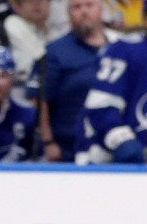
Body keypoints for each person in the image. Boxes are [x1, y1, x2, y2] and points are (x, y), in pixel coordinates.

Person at [76, 0, 147, 163]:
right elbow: (99, 106)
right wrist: (119, 138)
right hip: (114, 163)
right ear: (145, 19)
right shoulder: (124, 50)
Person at [39, 0, 116, 160]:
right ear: (68, 14)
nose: (84, 12)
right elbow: (42, 99)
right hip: (68, 143)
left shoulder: (119, 48)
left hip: (112, 140)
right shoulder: (55, 51)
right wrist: (48, 141)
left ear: (101, 10)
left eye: (89, 5)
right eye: (76, 7)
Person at [4, 0, 56, 102]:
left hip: (45, 90)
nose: (37, 4)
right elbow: (40, 59)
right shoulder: (13, 23)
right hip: (20, 92)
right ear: (17, 6)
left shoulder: (51, 33)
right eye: (30, 1)